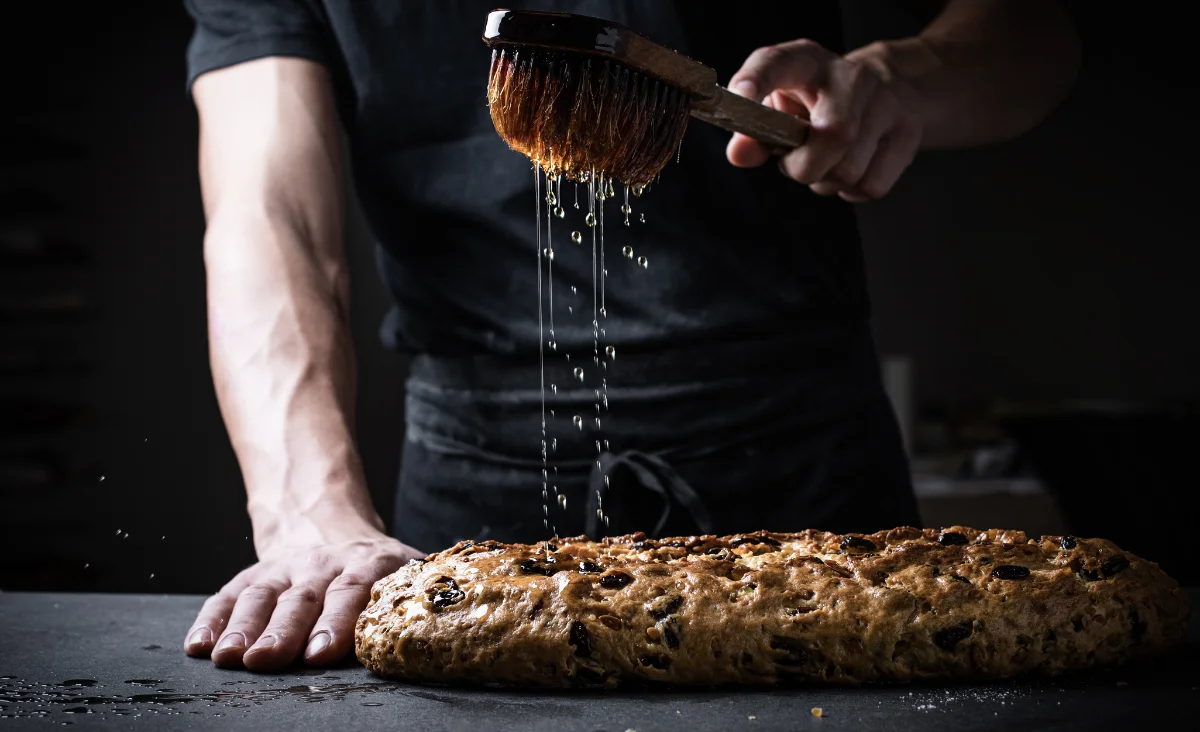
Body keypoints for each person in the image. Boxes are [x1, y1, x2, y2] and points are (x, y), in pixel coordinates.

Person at [180, 0, 1079, 672]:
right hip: (471, 485)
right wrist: (311, 518)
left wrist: (902, 78)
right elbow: (268, 213)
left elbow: (1031, 29)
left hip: (808, 470)